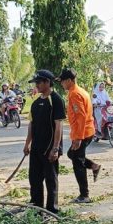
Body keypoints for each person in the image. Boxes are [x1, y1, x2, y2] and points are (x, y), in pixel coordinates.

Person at [23, 70, 65, 213]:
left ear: (47, 82)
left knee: (51, 179)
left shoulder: (56, 100)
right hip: (36, 147)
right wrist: (27, 143)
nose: (37, 85)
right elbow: (31, 124)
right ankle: (36, 205)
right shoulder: (35, 103)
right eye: (36, 83)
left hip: (49, 148)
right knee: (34, 178)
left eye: (39, 82)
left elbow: (59, 125)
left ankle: (52, 210)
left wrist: (55, 148)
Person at [57, 69, 101, 204]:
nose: (62, 84)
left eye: (63, 82)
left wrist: (79, 138)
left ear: (69, 80)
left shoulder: (75, 94)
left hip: (83, 132)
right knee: (72, 154)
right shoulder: (80, 91)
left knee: (77, 162)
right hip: (86, 130)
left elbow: (81, 116)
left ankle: (84, 195)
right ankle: (93, 166)